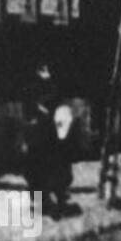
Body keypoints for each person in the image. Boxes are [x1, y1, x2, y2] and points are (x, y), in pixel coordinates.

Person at [22, 61, 76, 217]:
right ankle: (43, 200)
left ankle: (59, 197)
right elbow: (29, 109)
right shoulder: (31, 88)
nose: (46, 72)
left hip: (51, 134)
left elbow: (59, 108)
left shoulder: (53, 87)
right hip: (39, 134)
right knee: (36, 169)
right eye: (42, 69)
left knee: (57, 167)